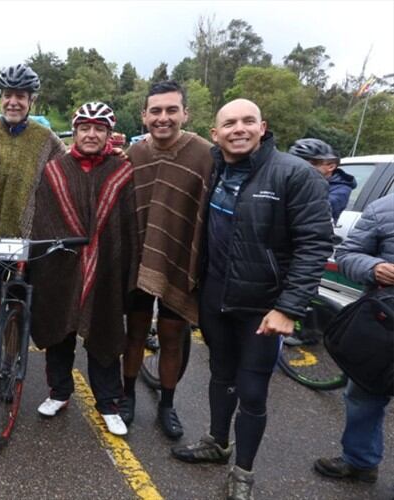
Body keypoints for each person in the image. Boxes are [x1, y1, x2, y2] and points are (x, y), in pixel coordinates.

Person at [170, 99, 333, 499]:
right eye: (229, 123)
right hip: (215, 296)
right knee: (220, 375)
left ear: (263, 127)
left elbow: (314, 245)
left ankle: (243, 472)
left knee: (253, 390)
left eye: (247, 121)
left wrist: (288, 308)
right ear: (215, 133)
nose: (238, 129)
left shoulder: (293, 174)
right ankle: (216, 442)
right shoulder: (213, 169)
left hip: (263, 307)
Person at [0, 64, 66, 412]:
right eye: (8, 95)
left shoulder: (45, 139)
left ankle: (7, 367)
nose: (13, 102)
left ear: (32, 100)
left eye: (21, 96)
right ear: (1, 97)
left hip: (28, 241)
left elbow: (70, 169)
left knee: (18, 308)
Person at [28, 102, 137, 436]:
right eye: (85, 128)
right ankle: (59, 392)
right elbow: (42, 219)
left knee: (105, 329)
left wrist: (124, 267)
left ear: (108, 134)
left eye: (99, 129)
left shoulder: (122, 171)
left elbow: (128, 224)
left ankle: (108, 403)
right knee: (59, 330)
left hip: (106, 266)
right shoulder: (55, 170)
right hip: (60, 266)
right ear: (74, 132)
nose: (91, 134)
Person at [119, 81, 214, 439]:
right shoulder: (133, 155)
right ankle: (127, 396)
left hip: (180, 261)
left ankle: (167, 405)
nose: (163, 118)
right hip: (139, 258)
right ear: (144, 116)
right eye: (155, 111)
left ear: (185, 114)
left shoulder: (205, 155)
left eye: (171, 110)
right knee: (135, 332)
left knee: (172, 336)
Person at [313, 192, 393, 485]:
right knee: (363, 394)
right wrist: (373, 268)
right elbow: (347, 255)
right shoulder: (383, 208)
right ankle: (360, 461)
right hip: (383, 323)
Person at [289, 138, 355, 222]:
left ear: (331, 167)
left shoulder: (340, 190)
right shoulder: (289, 179)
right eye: (296, 163)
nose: (301, 168)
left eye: (311, 164)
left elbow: (315, 211)